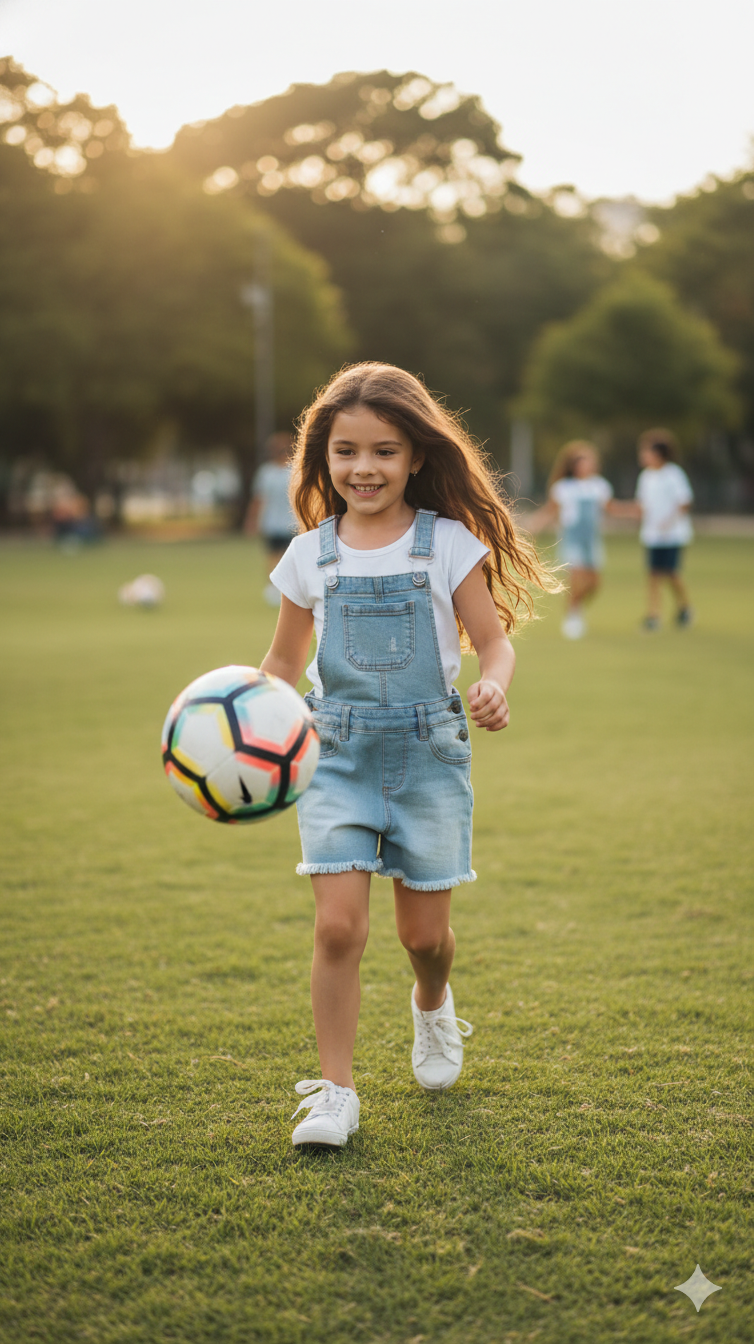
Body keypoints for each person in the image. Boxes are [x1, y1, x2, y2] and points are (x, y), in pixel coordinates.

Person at [259, 363, 555, 1148]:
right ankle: (335, 1092)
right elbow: (283, 668)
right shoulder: (306, 558)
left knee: (423, 937)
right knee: (337, 929)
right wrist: (247, 720)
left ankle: (432, 1004)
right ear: (324, 457)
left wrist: (492, 685)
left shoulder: (450, 543)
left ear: (417, 456)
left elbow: (492, 644)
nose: (365, 468)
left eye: (385, 451)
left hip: (430, 753)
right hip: (337, 756)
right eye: (347, 451)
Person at [529, 441, 619, 639]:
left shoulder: (600, 486)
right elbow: (551, 511)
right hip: (573, 539)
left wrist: (635, 510)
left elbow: (612, 508)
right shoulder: (563, 488)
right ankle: (572, 616)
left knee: (594, 584)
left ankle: (576, 608)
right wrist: (535, 526)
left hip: (592, 540)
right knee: (577, 578)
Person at [633, 429, 694, 630]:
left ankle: (685, 607)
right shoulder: (646, 477)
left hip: (672, 535)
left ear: (658, 453)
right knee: (653, 575)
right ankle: (653, 615)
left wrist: (669, 521)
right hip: (653, 535)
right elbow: (642, 505)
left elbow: (684, 502)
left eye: (647, 451)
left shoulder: (673, 474)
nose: (643, 455)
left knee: (671, 573)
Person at [245, 433, 298, 606]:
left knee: (290, 558)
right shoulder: (266, 473)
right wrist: (252, 520)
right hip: (273, 524)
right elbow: (259, 499)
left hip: (293, 523)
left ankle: (289, 590)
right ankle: (274, 590)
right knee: (274, 558)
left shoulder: (295, 470)